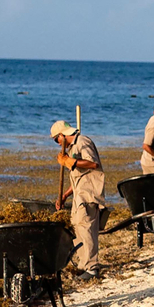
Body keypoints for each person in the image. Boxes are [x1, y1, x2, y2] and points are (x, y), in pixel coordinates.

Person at [51, 120, 106, 280]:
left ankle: (92, 268)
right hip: (79, 194)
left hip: (89, 193)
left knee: (86, 228)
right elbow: (77, 177)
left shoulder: (82, 141)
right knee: (77, 226)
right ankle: (83, 265)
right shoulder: (73, 148)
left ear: (62, 135)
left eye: (56, 140)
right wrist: (65, 195)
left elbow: (93, 164)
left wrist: (70, 161)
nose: (57, 143)